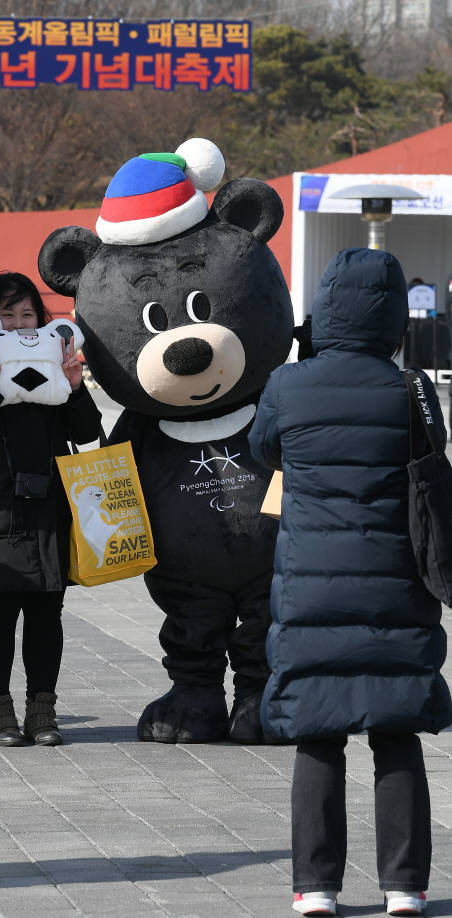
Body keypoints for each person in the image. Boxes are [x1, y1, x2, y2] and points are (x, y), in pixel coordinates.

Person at [248, 248, 452, 917]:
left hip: (312, 587)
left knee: (318, 733)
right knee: (395, 732)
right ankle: (404, 887)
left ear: (324, 309)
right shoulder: (412, 389)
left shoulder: (288, 386)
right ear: (394, 318)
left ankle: (315, 888)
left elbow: (263, 450)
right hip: (397, 583)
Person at [0, 272, 101, 747]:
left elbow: (87, 430)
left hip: (50, 503)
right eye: (6, 314)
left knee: (48, 612)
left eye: (27, 314)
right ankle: (0, 715)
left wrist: (75, 385)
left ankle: (42, 713)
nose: (17, 323)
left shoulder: (56, 358)